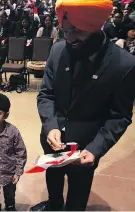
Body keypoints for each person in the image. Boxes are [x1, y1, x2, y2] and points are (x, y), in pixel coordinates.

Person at [31, 0, 135, 211]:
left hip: (86, 147)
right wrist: (50, 126)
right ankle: (54, 204)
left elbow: (120, 116)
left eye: (77, 31)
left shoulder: (123, 64)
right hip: (53, 140)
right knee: (53, 177)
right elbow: (46, 95)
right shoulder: (58, 50)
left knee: (78, 195)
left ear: (95, 26)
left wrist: (96, 149)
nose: (69, 38)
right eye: (65, 31)